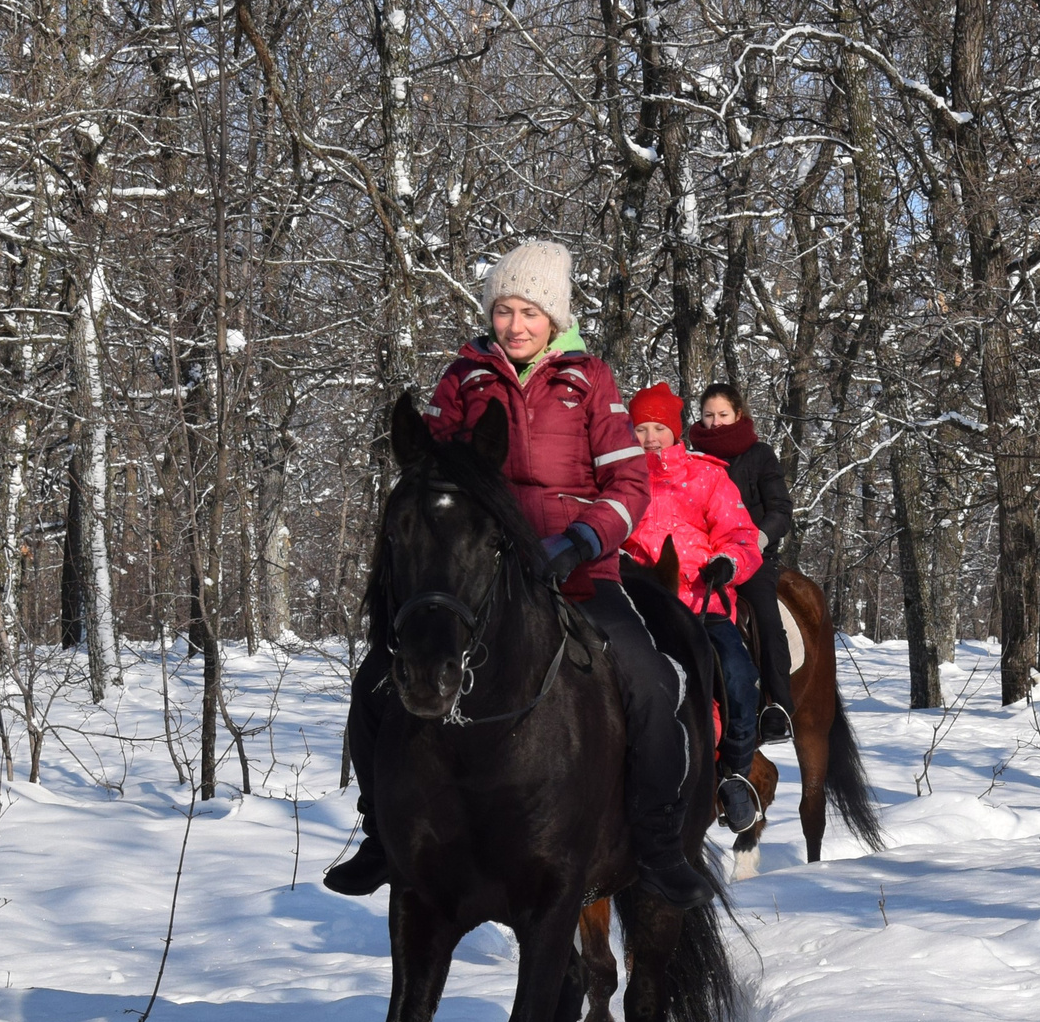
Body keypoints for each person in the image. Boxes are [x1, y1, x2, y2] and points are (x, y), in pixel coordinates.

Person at [327, 239, 714, 909]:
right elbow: (439, 466)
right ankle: (381, 835)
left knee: (651, 682)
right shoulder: (465, 377)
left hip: (580, 571)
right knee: (376, 683)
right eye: (503, 309)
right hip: (484, 577)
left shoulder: (591, 380)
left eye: (528, 311)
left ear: (553, 315)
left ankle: (657, 840)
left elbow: (628, 480)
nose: (514, 324)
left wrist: (583, 538)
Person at [624, 382, 767, 835]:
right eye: (641, 428)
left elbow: (739, 533)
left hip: (701, 601)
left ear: (674, 431)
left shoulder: (708, 477)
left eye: (658, 428)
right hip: (640, 603)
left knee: (739, 676)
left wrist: (728, 561)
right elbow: (611, 526)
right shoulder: (621, 478)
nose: (650, 438)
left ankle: (734, 775)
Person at [688, 383, 796, 740]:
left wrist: (754, 542)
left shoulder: (760, 455)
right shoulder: (691, 457)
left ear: (738, 415)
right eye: (708, 415)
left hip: (751, 555)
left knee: (765, 616)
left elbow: (780, 510)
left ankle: (777, 704)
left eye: (722, 415)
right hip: (702, 556)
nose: (715, 423)